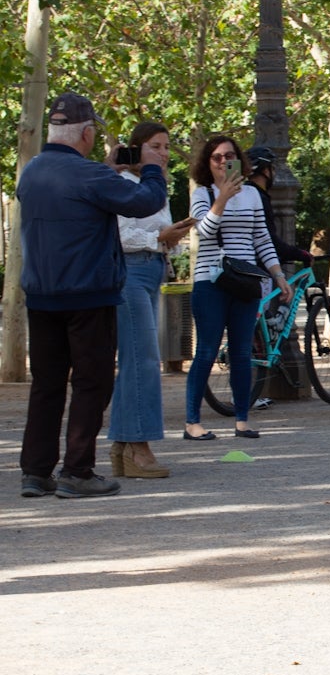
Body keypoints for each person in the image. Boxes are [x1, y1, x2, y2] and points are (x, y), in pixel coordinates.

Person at [18, 92, 168, 498]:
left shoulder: (31, 172)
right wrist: (152, 169)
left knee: (46, 385)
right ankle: (77, 471)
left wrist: (106, 169)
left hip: (41, 295)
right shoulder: (90, 176)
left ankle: (35, 472)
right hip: (89, 295)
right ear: (86, 133)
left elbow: (74, 196)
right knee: (91, 383)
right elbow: (146, 202)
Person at [185, 136, 293, 441]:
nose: (223, 161)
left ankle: (242, 420)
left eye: (229, 156)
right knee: (206, 351)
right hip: (211, 281)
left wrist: (277, 275)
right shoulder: (203, 194)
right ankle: (192, 422)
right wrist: (221, 200)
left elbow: (262, 240)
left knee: (242, 352)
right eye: (216, 157)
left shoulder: (252, 196)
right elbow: (204, 232)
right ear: (207, 163)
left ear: (239, 160)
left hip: (245, 282)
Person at [108, 121, 193, 479]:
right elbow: (121, 234)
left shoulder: (151, 185)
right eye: (155, 146)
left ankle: (124, 447)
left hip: (150, 270)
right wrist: (161, 236)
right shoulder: (123, 185)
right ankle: (138, 448)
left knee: (137, 359)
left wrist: (167, 239)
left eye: (167, 147)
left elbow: (148, 233)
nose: (163, 153)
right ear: (136, 149)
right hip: (130, 271)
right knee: (143, 359)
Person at [245, 146, 314, 265]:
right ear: (266, 171)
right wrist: (300, 254)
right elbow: (269, 240)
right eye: (273, 169)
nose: (274, 173)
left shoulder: (243, 193)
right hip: (257, 266)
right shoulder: (259, 198)